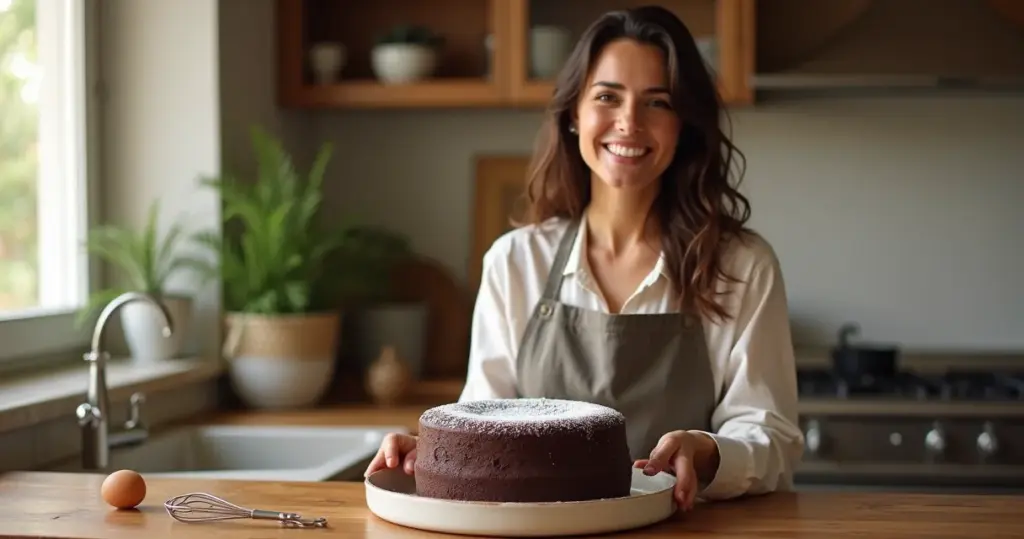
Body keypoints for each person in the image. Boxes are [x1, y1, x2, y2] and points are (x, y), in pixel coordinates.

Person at [365, 5, 804, 511]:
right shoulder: (516, 262)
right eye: (607, 97)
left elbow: (770, 438)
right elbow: (482, 419)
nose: (629, 122)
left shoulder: (743, 266)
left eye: (657, 102)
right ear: (574, 113)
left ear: (684, 124)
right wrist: (438, 452)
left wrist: (707, 452)